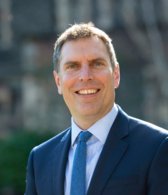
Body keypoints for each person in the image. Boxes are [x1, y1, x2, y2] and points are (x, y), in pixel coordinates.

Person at [25, 22, 168, 195]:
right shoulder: (40, 159)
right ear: (58, 82)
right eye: (73, 66)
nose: (85, 76)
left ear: (116, 75)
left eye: (96, 64)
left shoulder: (158, 147)